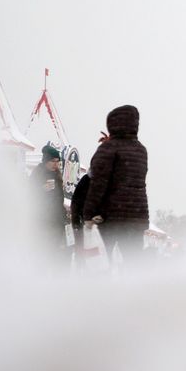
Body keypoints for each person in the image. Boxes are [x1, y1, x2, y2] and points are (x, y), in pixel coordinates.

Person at [83, 105, 150, 266]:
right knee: (133, 263)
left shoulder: (108, 148)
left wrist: (88, 213)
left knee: (103, 262)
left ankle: (107, 291)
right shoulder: (141, 150)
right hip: (136, 216)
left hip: (111, 217)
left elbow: (98, 183)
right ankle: (135, 290)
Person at [31, 144, 67, 259]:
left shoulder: (57, 175)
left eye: (58, 161)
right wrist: (41, 190)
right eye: (53, 161)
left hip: (56, 222)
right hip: (43, 222)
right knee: (44, 255)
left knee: (55, 255)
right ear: (46, 161)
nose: (56, 164)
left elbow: (58, 199)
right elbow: (28, 194)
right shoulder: (38, 174)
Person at [69, 173, 91, 269]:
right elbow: (76, 201)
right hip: (84, 222)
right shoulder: (86, 179)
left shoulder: (107, 180)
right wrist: (76, 220)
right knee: (82, 251)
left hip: (98, 224)